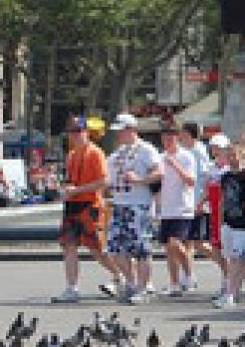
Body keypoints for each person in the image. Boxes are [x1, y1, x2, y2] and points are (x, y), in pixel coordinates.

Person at [105, 113, 161, 302]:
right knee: (115, 248)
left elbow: (159, 172)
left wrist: (141, 180)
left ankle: (143, 288)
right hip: (119, 203)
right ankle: (131, 282)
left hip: (139, 204)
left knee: (141, 249)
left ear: (131, 130)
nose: (118, 134)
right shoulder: (117, 154)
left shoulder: (146, 150)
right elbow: (108, 179)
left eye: (121, 130)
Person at [56, 117, 109, 302]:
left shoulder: (95, 153)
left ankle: (121, 275)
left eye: (78, 131)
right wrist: (66, 190)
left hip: (90, 205)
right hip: (73, 205)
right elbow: (70, 180)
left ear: (86, 132)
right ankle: (72, 287)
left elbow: (104, 181)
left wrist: (77, 190)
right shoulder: (71, 155)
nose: (75, 135)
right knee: (69, 245)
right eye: (72, 132)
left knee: (97, 248)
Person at [211, 137, 245, 309]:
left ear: (242, 156)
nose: (231, 158)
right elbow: (222, 200)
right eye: (228, 155)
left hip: (244, 224)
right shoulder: (225, 177)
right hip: (229, 223)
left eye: (234, 155)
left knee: (239, 259)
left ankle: (230, 295)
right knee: (235, 260)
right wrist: (220, 222)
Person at [154, 123, 199, 296]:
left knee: (175, 243)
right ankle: (174, 283)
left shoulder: (186, 156)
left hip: (182, 208)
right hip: (166, 209)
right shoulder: (160, 157)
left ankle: (189, 274)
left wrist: (175, 165)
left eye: (170, 138)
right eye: (164, 138)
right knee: (169, 248)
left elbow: (191, 181)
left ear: (177, 138)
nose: (167, 142)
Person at [180, 123, 227, 287]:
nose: (214, 150)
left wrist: (200, 202)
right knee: (189, 242)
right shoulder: (193, 152)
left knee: (199, 243)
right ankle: (188, 276)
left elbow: (202, 180)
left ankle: (226, 268)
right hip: (194, 202)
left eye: (218, 147)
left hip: (202, 205)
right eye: (213, 147)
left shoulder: (199, 152)